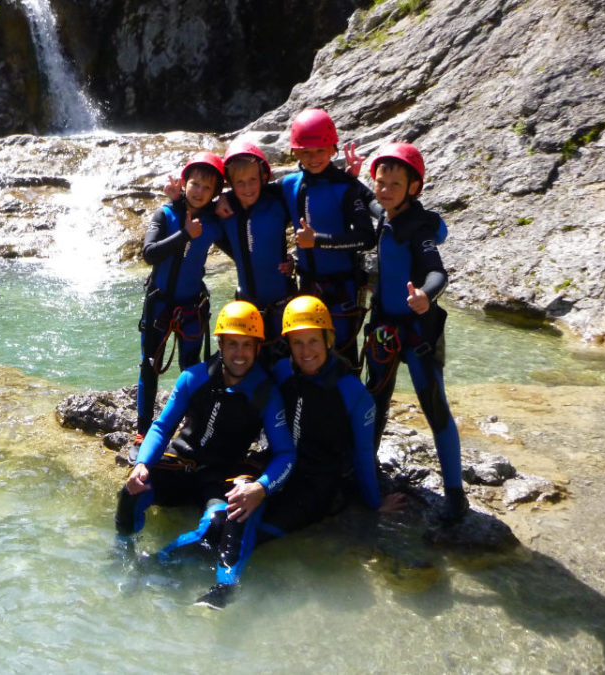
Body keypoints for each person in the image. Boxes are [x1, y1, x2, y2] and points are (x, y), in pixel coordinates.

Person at [180, 295, 405, 609]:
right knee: (232, 511)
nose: (306, 351)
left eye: (313, 341)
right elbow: (243, 389)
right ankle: (178, 570)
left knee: (255, 534)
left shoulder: (354, 394)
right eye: (297, 343)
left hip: (315, 484)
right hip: (276, 464)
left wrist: (373, 503)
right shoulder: (283, 370)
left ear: (329, 340)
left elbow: (364, 455)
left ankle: (222, 589)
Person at [115, 301, 296, 608]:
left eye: (247, 346)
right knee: (131, 491)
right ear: (221, 345)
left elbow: (285, 453)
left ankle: (219, 587)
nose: (240, 354)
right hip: (182, 463)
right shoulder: (193, 378)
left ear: (257, 348)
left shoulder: (266, 392)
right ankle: (122, 551)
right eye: (233, 344)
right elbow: (161, 428)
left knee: (222, 522)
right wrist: (143, 464)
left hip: (221, 475)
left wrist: (260, 487)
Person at [362, 141, 468, 524]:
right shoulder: (384, 212)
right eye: (380, 182)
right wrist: (353, 171)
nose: (385, 190)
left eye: (394, 183)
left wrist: (426, 294)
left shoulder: (418, 227)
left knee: (435, 409)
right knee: (375, 403)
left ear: (414, 188)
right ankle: (368, 471)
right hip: (384, 330)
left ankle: (455, 494)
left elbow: (437, 270)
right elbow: (368, 200)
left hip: (417, 332)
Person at [134, 152, 226, 453]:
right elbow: (149, 253)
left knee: (191, 370)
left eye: (206, 188)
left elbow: (240, 249)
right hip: (159, 305)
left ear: (214, 193)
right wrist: (185, 234)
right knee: (150, 365)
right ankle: (143, 431)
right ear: (184, 183)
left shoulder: (213, 222)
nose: (198, 191)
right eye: (194, 184)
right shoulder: (166, 214)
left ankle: (191, 430)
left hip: (191, 309)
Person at [280, 108, 378, 372]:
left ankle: (351, 410)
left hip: (343, 286)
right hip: (308, 284)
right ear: (296, 153)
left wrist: (319, 241)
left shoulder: (346, 186)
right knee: (307, 359)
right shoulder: (288, 185)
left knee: (346, 358)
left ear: (332, 149)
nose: (314, 158)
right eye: (306, 152)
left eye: (320, 151)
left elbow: (367, 237)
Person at [213, 140, 296, 369]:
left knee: (286, 369)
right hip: (247, 306)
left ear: (263, 177)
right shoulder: (223, 210)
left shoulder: (277, 201)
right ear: (230, 184)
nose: (248, 188)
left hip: (283, 304)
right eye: (240, 183)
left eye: (253, 180)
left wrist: (295, 259)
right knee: (250, 369)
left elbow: (309, 189)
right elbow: (191, 202)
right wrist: (219, 198)